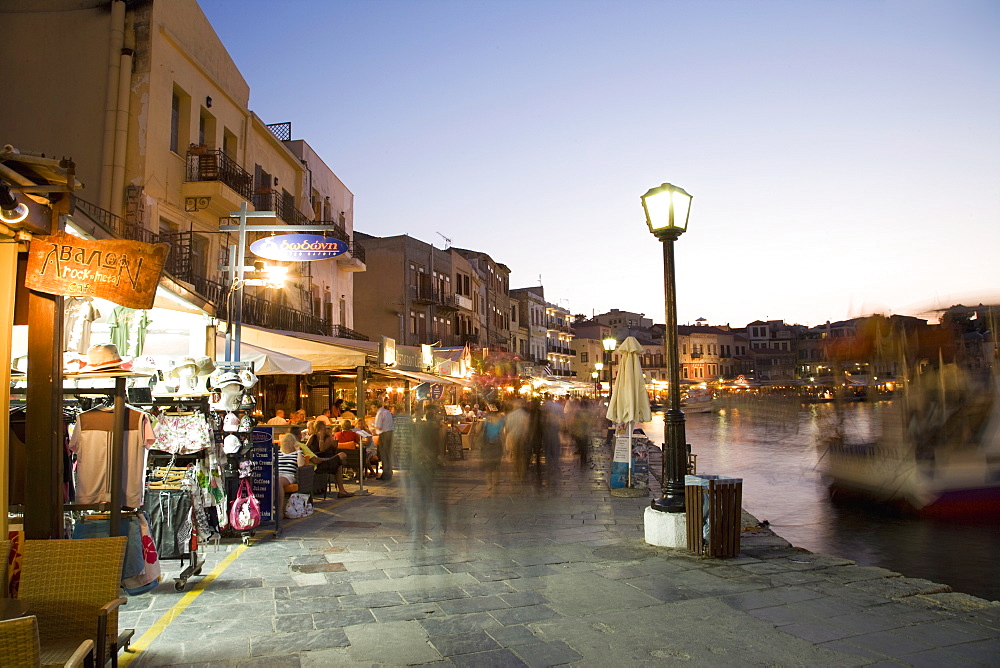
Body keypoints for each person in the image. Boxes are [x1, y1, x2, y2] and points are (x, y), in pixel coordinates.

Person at [296, 431, 353, 498]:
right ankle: (342, 491)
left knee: (338, 464)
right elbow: (317, 458)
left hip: (305, 468)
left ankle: (342, 491)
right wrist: (325, 459)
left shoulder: (287, 446)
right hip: (315, 468)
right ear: (299, 436)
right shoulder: (301, 445)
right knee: (342, 455)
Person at [277, 433, 302, 519]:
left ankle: (279, 510)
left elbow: (301, 465)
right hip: (276, 474)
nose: (286, 443)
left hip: (288, 475)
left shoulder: (296, 454)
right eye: (285, 442)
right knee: (272, 480)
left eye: (288, 442)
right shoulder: (278, 453)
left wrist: (298, 451)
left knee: (278, 481)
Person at [481, 406, 505, 489]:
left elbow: (477, 431)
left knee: (488, 466)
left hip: (488, 445)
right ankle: (496, 480)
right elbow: (502, 434)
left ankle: (489, 484)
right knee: (496, 464)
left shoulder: (485, 422)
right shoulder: (501, 421)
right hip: (497, 445)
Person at [373, 397, 395, 481]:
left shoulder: (380, 413)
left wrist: (373, 426)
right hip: (389, 433)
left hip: (384, 434)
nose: (372, 409)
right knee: (388, 454)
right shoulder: (387, 412)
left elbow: (379, 426)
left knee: (384, 454)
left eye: (372, 407)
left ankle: (386, 473)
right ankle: (389, 471)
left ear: (375, 406)